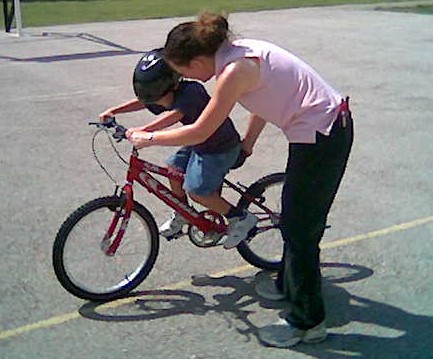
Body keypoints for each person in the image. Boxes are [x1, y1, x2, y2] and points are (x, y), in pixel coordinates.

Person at [128, 13, 354, 348]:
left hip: (324, 134)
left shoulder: (233, 71)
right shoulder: (238, 53)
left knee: (299, 229)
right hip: (317, 131)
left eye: (184, 70)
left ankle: (308, 323)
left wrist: (148, 139)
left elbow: (201, 130)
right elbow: (265, 100)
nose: (184, 79)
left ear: (198, 60)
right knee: (294, 220)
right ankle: (286, 285)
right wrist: (248, 143)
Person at [99, 48, 258, 249]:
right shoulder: (166, 93)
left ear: (170, 86)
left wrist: (143, 131)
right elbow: (144, 101)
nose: (155, 103)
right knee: (173, 169)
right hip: (200, 143)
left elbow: (173, 116)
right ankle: (183, 213)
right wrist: (114, 111)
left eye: (156, 97)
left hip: (220, 147)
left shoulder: (191, 92)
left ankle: (240, 218)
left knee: (197, 191)